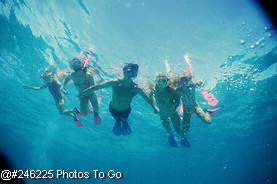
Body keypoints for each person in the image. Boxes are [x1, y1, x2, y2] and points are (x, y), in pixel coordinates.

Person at [80, 63, 159, 136]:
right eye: (128, 72)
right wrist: (85, 91)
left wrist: (154, 107)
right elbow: (99, 86)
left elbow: (147, 98)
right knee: (117, 120)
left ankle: (124, 122)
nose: (129, 75)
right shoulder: (115, 82)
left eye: (132, 73)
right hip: (113, 109)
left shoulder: (135, 88)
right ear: (124, 72)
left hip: (126, 110)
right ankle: (118, 122)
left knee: (124, 120)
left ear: (135, 75)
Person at [149, 73, 190, 147]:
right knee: (167, 128)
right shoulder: (154, 90)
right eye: (159, 81)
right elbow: (150, 97)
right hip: (162, 113)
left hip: (172, 113)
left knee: (178, 129)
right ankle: (171, 137)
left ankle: (183, 139)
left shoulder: (172, 91)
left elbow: (178, 101)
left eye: (163, 81)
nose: (161, 83)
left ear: (167, 82)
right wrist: (154, 107)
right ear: (156, 82)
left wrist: (174, 108)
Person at [63, 51, 102, 125]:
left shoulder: (88, 74)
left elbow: (93, 87)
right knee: (84, 114)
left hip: (90, 93)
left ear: (80, 64)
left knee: (95, 105)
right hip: (82, 95)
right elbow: (66, 80)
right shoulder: (72, 75)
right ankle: (81, 111)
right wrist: (63, 87)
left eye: (77, 62)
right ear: (71, 65)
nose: (74, 64)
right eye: (73, 63)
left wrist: (85, 92)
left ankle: (95, 114)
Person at [176, 54, 212, 133]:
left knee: (208, 121)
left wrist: (188, 61)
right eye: (182, 80)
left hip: (195, 106)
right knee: (185, 129)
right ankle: (183, 135)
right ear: (179, 81)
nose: (184, 82)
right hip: (186, 109)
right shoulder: (179, 89)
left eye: (186, 79)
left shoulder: (192, 84)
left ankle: (207, 112)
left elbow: (191, 71)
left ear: (189, 78)